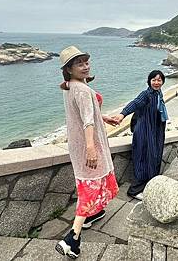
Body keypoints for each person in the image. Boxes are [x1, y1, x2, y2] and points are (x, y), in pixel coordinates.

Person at [55, 46, 119, 258]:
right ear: (69, 69)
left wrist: (105, 118)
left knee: (87, 184)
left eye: (86, 62)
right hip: (87, 145)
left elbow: (86, 114)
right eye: (79, 64)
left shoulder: (70, 86)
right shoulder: (81, 90)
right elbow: (87, 121)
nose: (85, 66)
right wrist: (91, 148)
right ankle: (71, 238)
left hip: (77, 144)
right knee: (89, 189)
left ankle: (92, 215)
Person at [112, 70, 168, 199]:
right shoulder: (146, 94)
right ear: (149, 81)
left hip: (155, 131)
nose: (156, 82)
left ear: (163, 82)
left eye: (159, 80)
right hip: (144, 131)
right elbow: (135, 103)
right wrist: (122, 114)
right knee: (143, 158)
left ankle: (149, 185)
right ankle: (134, 190)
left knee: (154, 157)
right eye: (153, 80)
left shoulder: (158, 93)